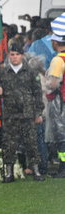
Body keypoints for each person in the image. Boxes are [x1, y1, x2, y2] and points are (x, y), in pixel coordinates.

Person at [0, 44, 45, 182]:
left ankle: (36, 170)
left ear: (22, 55)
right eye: (12, 54)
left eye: (17, 54)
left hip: (27, 113)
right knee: (9, 144)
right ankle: (9, 172)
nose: (14, 57)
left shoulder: (30, 72)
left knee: (31, 143)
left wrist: (38, 112)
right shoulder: (3, 72)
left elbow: (37, 93)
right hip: (10, 114)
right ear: (9, 56)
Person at [44, 32, 65, 178]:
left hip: (61, 101)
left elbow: (53, 83)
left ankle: (63, 168)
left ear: (56, 43)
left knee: (61, 135)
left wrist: (44, 84)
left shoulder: (58, 61)